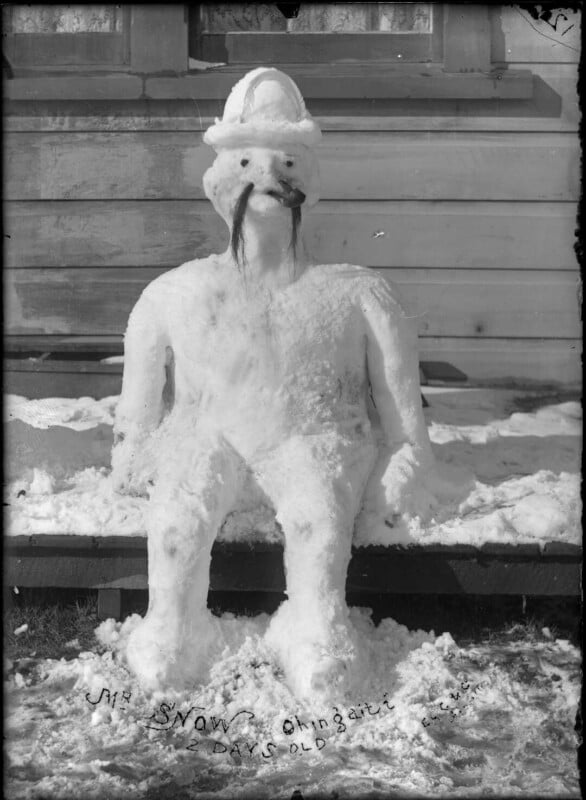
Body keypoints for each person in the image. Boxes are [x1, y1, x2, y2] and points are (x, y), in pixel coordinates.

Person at [111, 67, 439, 699]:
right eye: (245, 162)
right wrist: (136, 452)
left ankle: (317, 629)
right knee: (177, 523)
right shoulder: (173, 296)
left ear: (307, 181)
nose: (267, 176)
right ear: (215, 183)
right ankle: (172, 628)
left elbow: (405, 426)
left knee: (318, 521)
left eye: (286, 161)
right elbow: (137, 416)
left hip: (312, 437)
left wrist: (404, 460)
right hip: (208, 435)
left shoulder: (358, 295)